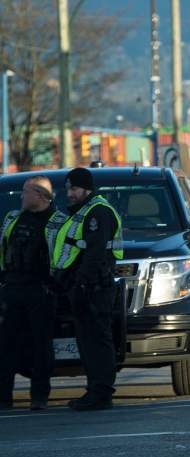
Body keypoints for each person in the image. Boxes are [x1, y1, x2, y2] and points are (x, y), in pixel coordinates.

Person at [57, 167, 123, 411]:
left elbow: (94, 254)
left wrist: (82, 282)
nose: (70, 194)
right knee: (88, 342)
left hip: (94, 287)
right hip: (85, 287)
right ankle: (94, 390)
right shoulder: (83, 212)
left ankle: (102, 393)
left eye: (74, 189)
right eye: (68, 189)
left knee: (97, 341)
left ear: (86, 188)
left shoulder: (98, 213)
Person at [0, 176, 68, 410]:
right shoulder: (13, 218)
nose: (21, 196)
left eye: (25, 192)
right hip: (13, 289)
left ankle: (39, 397)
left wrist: (56, 285)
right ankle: (3, 398)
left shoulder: (59, 222)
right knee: (5, 345)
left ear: (39, 194)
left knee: (41, 346)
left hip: (42, 291)